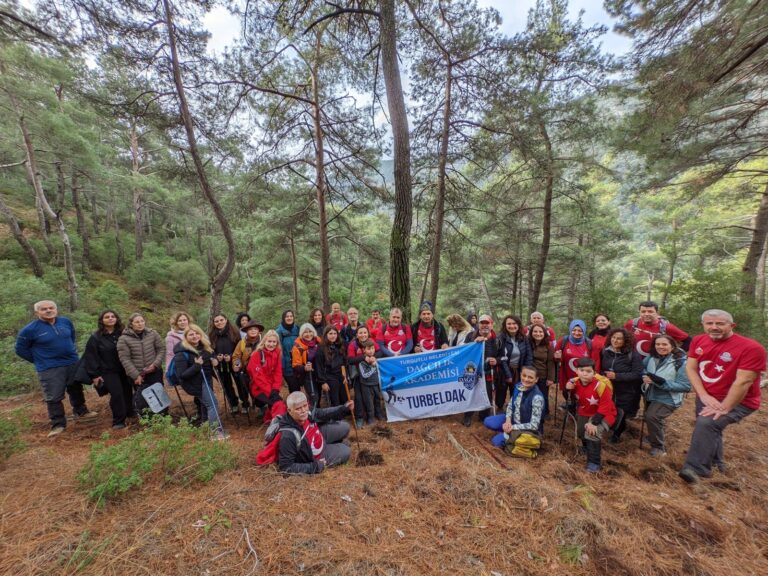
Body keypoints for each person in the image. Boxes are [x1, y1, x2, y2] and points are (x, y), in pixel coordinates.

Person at [679, 310, 766, 484]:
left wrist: (725, 406)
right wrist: (703, 395)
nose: (714, 327)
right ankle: (717, 463)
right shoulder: (698, 340)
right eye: (709, 323)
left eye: (720, 324)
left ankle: (696, 470)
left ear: (731, 325)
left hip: (740, 400)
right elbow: (691, 368)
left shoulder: (751, 348)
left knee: (707, 423)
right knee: (710, 428)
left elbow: (744, 381)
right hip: (707, 397)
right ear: (703, 325)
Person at [15, 300, 96, 436]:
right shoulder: (29, 330)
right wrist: (39, 360)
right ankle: (58, 424)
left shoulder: (65, 322)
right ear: (37, 312)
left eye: (51, 308)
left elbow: (72, 337)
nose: (48, 310)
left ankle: (81, 412)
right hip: (49, 368)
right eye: (44, 309)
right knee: (54, 396)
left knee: (75, 388)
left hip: (71, 362)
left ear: (56, 309)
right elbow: (20, 349)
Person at [275, 391, 353, 474]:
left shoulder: (308, 412)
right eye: (298, 409)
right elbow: (286, 467)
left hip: (319, 436)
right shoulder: (288, 436)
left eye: (305, 406)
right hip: (316, 454)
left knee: (345, 427)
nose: (303, 410)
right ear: (289, 410)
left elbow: (323, 413)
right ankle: (337, 445)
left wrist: (343, 409)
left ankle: (336, 443)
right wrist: (314, 466)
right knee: (346, 451)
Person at [173, 324, 227, 440]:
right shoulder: (182, 353)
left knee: (205, 404)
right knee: (213, 405)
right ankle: (215, 432)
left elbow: (212, 358)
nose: (195, 336)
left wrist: (215, 361)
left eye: (197, 333)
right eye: (191, 334)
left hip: (207, 380)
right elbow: (182, 375)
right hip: (196, 383)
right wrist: (197, 366)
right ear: (186, 337)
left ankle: (205, 426)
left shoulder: (205, 347)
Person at [565, 358, 618, 473]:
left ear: (594, 373)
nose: (585, 373)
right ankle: (586, 447)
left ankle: (594, 463)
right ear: (577, 371)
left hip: (604, 413)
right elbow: (570, 398)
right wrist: (567, 390)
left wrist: (594, 423)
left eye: (588, 371)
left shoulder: (601, 385)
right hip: (585, 411)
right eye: (582, 370)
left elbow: (605, 406)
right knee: (580, 432)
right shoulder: (575, 382)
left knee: (592, 433)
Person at [82, 310, 133, 429]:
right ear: (102, 320)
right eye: (107, 317)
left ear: (116, 319)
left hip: (125, 369)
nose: (110, 318)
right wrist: (94, 375)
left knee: (127, 392)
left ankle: (130, 413)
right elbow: (91, 357)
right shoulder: (96, 337)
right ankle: (118, 421)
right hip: (107, 371)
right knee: (117, 394)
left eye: (113, 316)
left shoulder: (123, 333)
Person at [642, 334, 691, 456]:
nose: (660, 347)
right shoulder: (651, 358)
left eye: (664, 344)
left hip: (669, 398)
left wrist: (661, 383)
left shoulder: (681, 362)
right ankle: (653, 436)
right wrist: (644, 376)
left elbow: (685, 386)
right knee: (651, 417)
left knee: (652, 416)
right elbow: (642, 369)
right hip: (650, 394)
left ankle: (658, 448)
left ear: (672, 346)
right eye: (658, 344)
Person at [483, 366, 545, 457]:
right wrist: (508, 421)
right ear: (520, 375)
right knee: (487, 421)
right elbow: (510, 406)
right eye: (524, 375)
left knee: (496, 442)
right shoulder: (518, 387)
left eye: (530, 377)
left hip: (526, 429)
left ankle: (510, 435)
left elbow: (534, 425)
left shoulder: (537, 397)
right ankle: (506, 432)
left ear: (536, 379)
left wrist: (512, 427)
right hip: (512, 421)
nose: (526, 379)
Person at [117, 312, 165, 416]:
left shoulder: (153, 333)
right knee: (144, 397)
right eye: (137, 322)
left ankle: (163, 416)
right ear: (131, 324)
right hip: (138, 374)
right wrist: (135, 375)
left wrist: (155, 365)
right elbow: (125, 359)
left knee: (158, 394)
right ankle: (146, 418)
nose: (140, 324)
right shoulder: (123, 339)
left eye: (142, 321)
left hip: (154, 371)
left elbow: (161, 349)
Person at [600, 328, 643, 443]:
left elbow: (637, 374)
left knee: (621, 411)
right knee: (608, 408)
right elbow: (600, 368)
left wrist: (617, 376)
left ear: (626, 340)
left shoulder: (632, 355)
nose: (615, 340)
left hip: (626, 390)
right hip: (607, 388)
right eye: (613, 337)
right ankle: (608, 427)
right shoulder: (605, 351)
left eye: (619, 338)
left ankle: (617, 434)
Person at [210, 314, 248, 414]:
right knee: (226, 385)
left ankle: (245, 403)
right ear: (214, 323)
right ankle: (233, 403)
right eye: (216, 321)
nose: (219, 323)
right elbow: (210, 350)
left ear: (226, 320)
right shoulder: (212, 335)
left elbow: (240, 348)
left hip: (235, 362)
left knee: (240, 383)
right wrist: (215, 357)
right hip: (221, 364)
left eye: (221, 320)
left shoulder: (234, 332)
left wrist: (231, 356)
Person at [463, 314, 498, 426]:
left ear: (491, 325)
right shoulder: (470, 335)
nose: (484, 326)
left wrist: (496, 360)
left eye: (487, 323)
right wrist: (474, 342)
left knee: (486, 394)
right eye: (482, 323)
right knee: (471, 393)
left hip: (489, 371)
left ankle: (484, 417)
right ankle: (468, 416)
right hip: (472, 370)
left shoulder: (497, 339)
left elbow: (503, 356)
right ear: (478, 325)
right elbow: (463, 351)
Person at [624, 301, 689, 358]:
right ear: (639, 312)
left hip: (657, 365)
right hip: (634, 363)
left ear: (657, 313)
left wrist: (675, 354)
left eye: (650, 311)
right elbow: (621, 339)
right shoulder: (632, 324)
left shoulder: (666, 327)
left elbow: (688, 340)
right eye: (643, 311)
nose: (646, 314)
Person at [496, 315, 533, 412]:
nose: (512, 326)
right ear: (505, 325)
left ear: (518, 325)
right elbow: (501, 357)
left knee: (516, 391)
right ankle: (500, 407)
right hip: (503, 369)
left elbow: (528, 355)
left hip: (519, 369)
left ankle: (513, 409)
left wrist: (525, 372)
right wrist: (508, 374)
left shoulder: (523, 338)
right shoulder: (500, 338)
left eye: (514, 323)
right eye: (509, 324)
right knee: (501, 391)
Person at [347, 325, 382, 426]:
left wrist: (373, 357)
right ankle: (359, 418)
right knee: (358, 397)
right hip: (358, 375)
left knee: (375, 395)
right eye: (360, 333)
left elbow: (379, 352)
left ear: (368, 333)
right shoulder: (353, 345)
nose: (363, 335)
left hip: (372, 374)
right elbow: (350, 360)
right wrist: (363, 357)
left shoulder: (371, 342)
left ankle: (378, 414)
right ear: (357, 335)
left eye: (365, 332)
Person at [247, 329, 284, 424]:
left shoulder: (277, 354)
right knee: (277, 403)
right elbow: (258, 377)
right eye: (269, 341)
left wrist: (275, 389)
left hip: (271, 387)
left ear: (277, 343)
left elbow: (278, 373)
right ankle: (277, 423)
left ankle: (269, 418)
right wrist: (270, 391)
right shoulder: (256, 354)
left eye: (274, 342)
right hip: (259, 388)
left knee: (278, 401)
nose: (271, 344)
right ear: (264, 341)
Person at [232, 319, 264, 408]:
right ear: (246, 331)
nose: (253, 331)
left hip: (262, 372)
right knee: (251, 390)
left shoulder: (264, 341)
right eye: (250, 329)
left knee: (263, 391)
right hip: (248, 373)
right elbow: (236, 356)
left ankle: (262, 408)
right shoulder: (242, 343)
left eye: (255, 329)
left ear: (258, 330)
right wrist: (236, 364)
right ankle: (255, 403)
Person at [315, 325, 348, 406]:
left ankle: (344, 414)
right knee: (334, 399)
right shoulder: (321, 348)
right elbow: (319, 366)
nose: (333, 336)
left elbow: (345, 362)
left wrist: (346, 376)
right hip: (329, 376)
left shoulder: (340, 345)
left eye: (335, 333)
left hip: (341, 375)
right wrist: (323, 382)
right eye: (330, 334)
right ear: (326, 335)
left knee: (344, 398)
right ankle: (336, 417)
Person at [555, 320, 591, 391]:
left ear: (584, 331)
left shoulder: (589, 343)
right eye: (574, 330)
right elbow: (555, 359)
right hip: (566, 376)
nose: (576, 333)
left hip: (584, 377)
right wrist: (557, 357)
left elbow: (592, 361)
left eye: (580, 331)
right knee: (567, 395)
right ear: (570, 330)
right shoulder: (563, 341)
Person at [356, 339, 386, 425]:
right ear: (364, 350)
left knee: (377, 399)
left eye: (372, 348)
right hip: (366, 385)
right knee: (369, 402)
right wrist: (373, 367)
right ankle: (370, 417)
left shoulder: (376, 359)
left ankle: (379, 414)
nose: (371, 351)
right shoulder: (361, 362)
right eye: (369, 349)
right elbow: (365, 375)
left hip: (376, 384)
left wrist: (376, 364)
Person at [528, 324, 555, 418]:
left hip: (543, 375)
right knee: (529, 394)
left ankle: (544, 413)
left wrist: (550, 378)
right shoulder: (528, 343)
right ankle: (531, 411)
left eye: (540, 331)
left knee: (543, 396)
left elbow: (551, 363)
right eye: (535, 331)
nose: (538, 333)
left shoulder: (548, 346)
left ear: (544, 333)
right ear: (531, 333)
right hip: (529, 375)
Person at [291, 323, 321, 402]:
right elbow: (295, 365)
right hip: (307, 375)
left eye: (310, 331)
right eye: (305, 332)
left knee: (320, 395)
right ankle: (313, 412)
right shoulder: (297, 347)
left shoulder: (319, 341)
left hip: (320, 373)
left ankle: (319, 412)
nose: (308, 334)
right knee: (314, 397)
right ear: (301, 334)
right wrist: (305, 368)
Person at [276, 310, 300, 387]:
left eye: (291, 316)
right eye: (287, 316)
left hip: (298, 363)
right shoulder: (279, 331)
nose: (289, 318)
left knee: (298, 385)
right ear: (283, 318)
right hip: (287, 365)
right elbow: (279, 350)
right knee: (293, 386)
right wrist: (282, 367)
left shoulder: (297, 328)